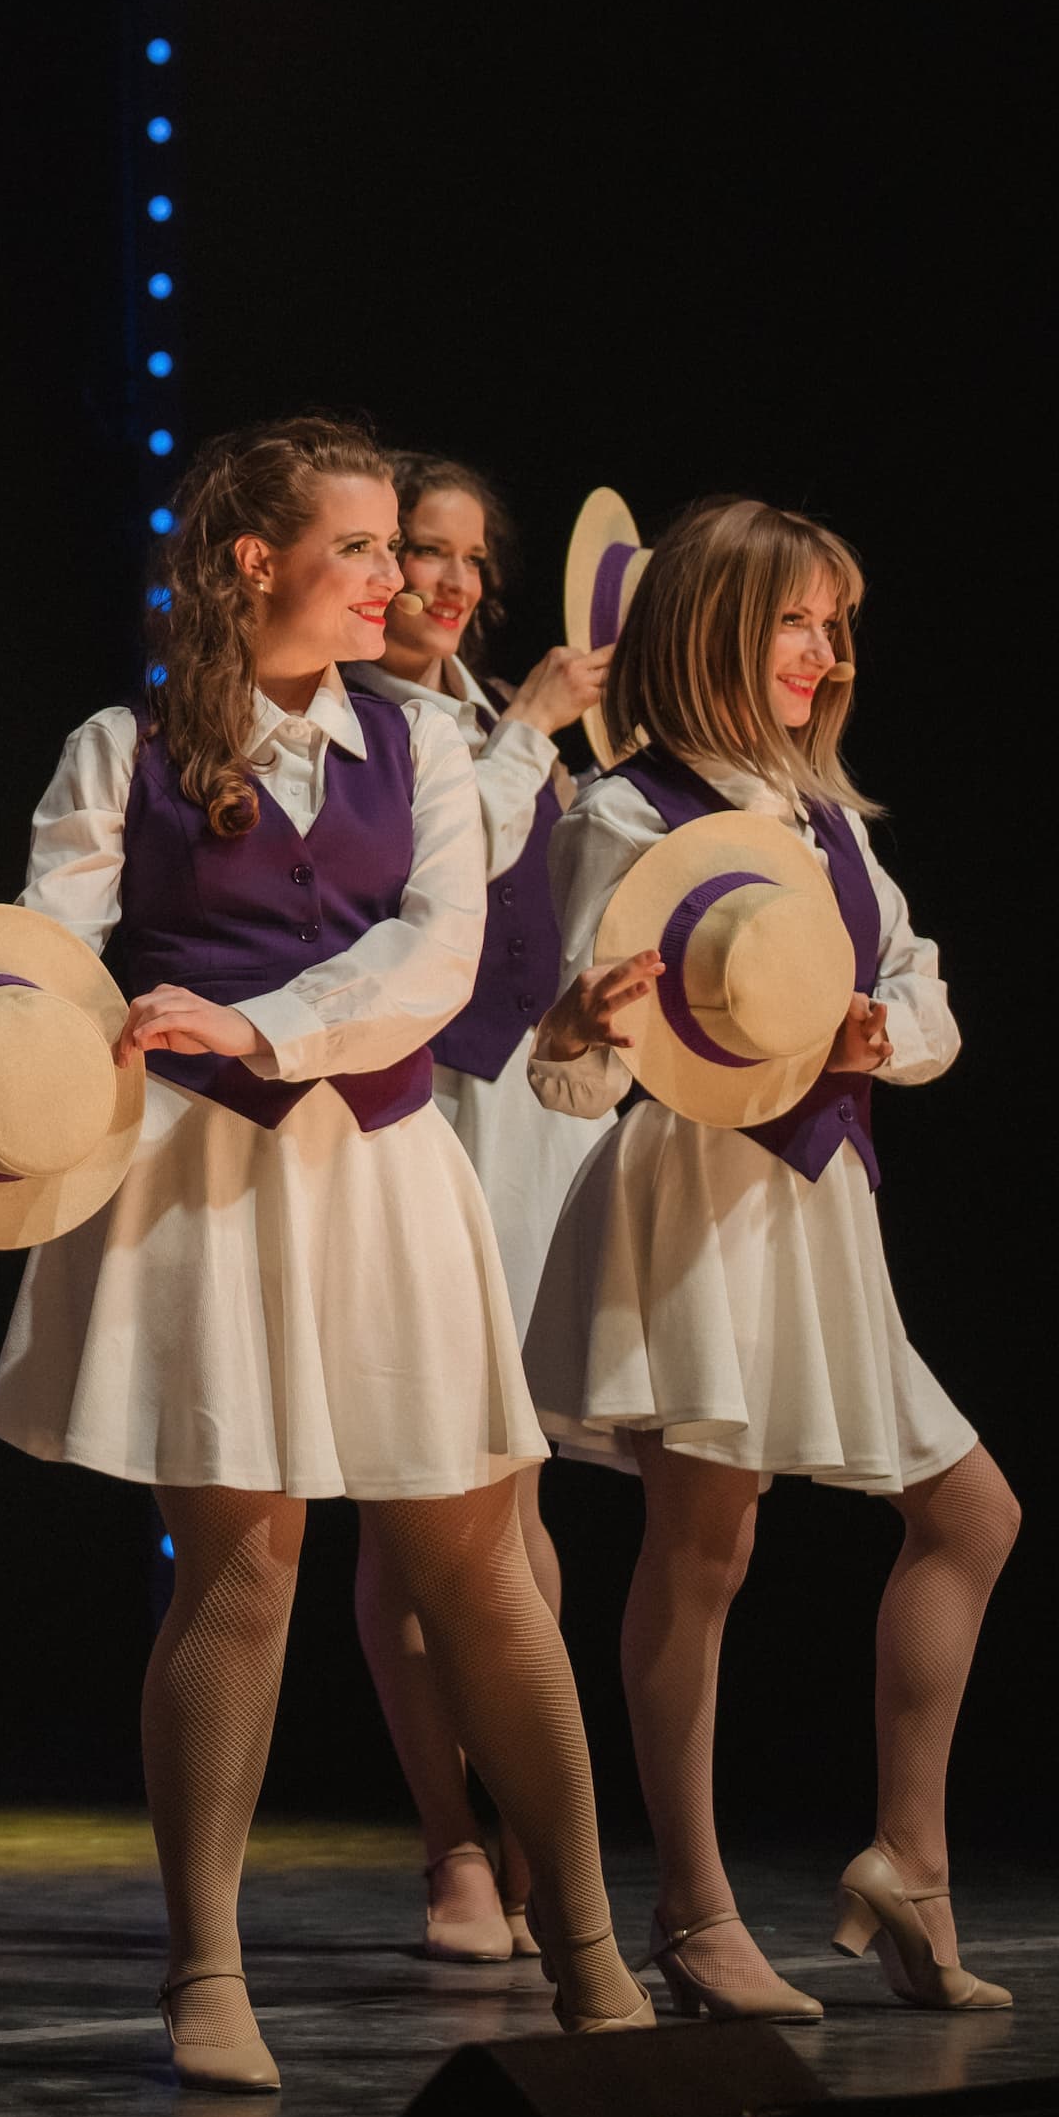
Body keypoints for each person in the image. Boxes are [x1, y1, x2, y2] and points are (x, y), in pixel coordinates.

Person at [0, 412, 650, 2095]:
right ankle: (205, 1964)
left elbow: (433, 957)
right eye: (360, 549)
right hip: (200, 1175)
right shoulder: (115, 752)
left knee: (481, 1570)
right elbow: (33, 985)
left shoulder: (423, 747)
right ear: (257, 561)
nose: (396, 578)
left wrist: (270, 1024)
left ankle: (587, 1947)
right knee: (245, 1567)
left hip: (382, 1168)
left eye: (399, 551)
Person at [523, 497, 1018, 2018]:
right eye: (796, 620)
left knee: (973, 1517)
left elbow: (917, 983)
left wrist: (887, 1033)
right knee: (708, 1547)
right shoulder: (628, 813)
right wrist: (591, 1037)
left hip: (821, 1207)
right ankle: (690, 1903)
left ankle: (909, 1864)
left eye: (831, 624)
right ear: (715, 630)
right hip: (696, 1202)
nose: (825, 651)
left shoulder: (832, 822)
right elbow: (567, 1072)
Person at [338, 451, 614, 1967]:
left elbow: (538, 916)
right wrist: (527, 736)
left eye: (458, 562)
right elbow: (440, 877)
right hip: (408, 1107)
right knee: (412, 1503)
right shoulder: (366, 723)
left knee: (510, 1498)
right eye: (412, 555)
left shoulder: (503, 725)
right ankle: (448, 1846)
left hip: (516, 1116)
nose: (437, 585)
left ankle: (531, 1840)